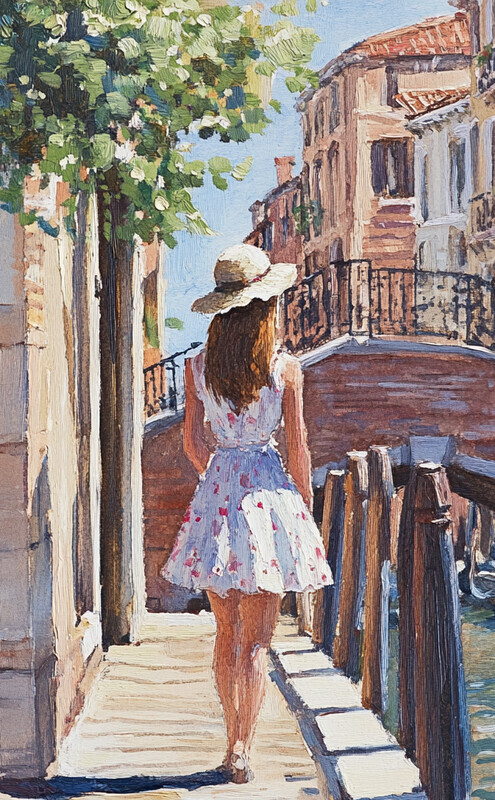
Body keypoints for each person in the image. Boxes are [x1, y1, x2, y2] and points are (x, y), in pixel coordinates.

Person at [161, 244, 333, 783]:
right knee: (258, 640)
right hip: (269, 496)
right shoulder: (285, 369)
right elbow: (299, 448)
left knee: (225, 633)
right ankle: (241, 748)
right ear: (265, 307)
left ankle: (229, 735)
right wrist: (302, 507)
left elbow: (192, 443)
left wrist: (219, 476)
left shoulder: (195, 366)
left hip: (219, 496)